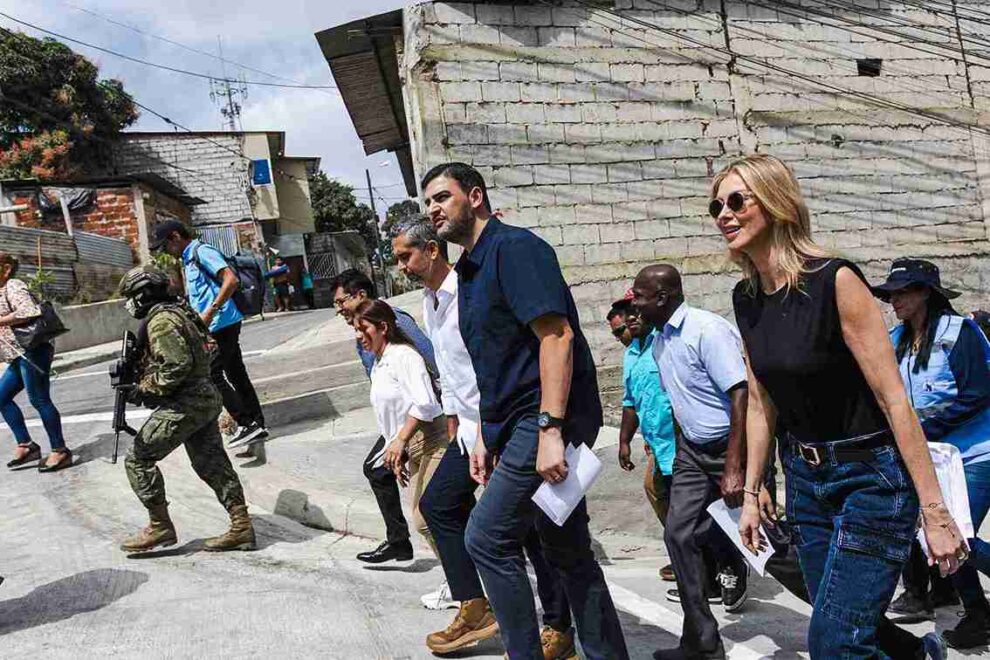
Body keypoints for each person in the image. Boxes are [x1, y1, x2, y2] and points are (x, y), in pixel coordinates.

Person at [720, 154, 966, 658]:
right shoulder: (746, 297)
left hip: (870, 479)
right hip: (806, 482)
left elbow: (894, 400)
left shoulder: (835, 280)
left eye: (737, 200)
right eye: (717, 205)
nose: (724, 213)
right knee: (851, 622)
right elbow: (761, 402)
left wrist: (935, 513)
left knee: (832, 643)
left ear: (775, 202)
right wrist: (751, 491)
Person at [423, 162, 628, 659]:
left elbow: (556, 338)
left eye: (441, 197)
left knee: (486, 537)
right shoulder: (469, 270)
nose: (433, 210)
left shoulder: (515, 249)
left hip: (539, 419)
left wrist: (550, 430)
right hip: (511, 424)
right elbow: (494, 365)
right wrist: (482, 438)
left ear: (475, 196)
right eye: (427, 203)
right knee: (566, 549)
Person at [392, 217, 576, 659]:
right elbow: (451, 368)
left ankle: (557, 627)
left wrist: (488, 430)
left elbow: (489, 364)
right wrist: (455, 419)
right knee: (438, 505)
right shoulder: (430, 301)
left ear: (432, 250)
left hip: (502, 425)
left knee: (526, 529)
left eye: (406, 256)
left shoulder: (467, 293)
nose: (401, 266)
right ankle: (475, 605)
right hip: (469, 429)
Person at [631, 265, 751, 660]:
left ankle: (852, 622)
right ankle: (701, 643)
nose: (634, 303)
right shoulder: (660, 340)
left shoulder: (706, 330)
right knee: (678, 536)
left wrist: (734, 466)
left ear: (663, 297)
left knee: (767, 546)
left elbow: (740, 394)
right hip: (693, 454)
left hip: (732, 450)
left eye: (640, 296)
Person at [873, 257, 990, 649]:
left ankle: (977, 612)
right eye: (890, 294)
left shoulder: (962, 333)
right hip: (932, 458)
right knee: (934, 539)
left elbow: (977, 393)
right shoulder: (895, 339)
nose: (894, 301)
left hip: (975, 453)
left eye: (902, 292)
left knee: (959, 538)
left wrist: (920, 430)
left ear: (925, 293)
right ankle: (978, 614)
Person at [116, 266, 255, 553]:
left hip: (185, 404)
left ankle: (160, 526)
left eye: (131, 297)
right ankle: (241, 527)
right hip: (204, 398)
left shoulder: (161, 322)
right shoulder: (182, 311)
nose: (129, 304)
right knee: (212, 463)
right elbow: (210, 349)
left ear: (143, 295)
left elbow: (175, 367)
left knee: (138, 459)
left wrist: (143, 389)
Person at [332, 268, 439, 569]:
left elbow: (429, 364)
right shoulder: (364, 332)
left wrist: (404, 436)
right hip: (402, 423)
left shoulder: (393, 323)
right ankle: (399, 543)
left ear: (361, 296)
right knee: (380, 472)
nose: (339, 309)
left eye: (341, 302)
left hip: (423, 422)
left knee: (432, 511)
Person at [150, 220, 267, 450]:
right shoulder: (189, 258)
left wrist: (210, 311)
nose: (166, 251)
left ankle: (246, 422)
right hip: (221, 323)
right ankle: (257, 424)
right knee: (236, 374)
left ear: (175, 236)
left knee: (212, 374)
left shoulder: (201, 251)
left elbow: (230, 280)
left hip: (221, 323)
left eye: (166, 245)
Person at [353, 300, 446, 564]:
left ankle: (471, 585)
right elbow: (390, 415)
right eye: (356, 330)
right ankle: (460, 585)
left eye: (364, 329)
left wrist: (400, 440)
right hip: (412, 448)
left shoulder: (403, 356)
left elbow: (425, 403)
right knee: (428, 520)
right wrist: (397, 450)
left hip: (431, 442)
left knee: (430, 519)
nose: (360, 336)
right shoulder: (381, 362)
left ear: (383, 327)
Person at [611, 291, 678, 583]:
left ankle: (712, 562)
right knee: (658, 492)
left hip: (680, 442)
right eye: (626, 317)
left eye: (633, 314)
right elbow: (630, 402)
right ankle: (684, 554)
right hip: (657, 445)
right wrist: (625, 441)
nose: (630, 321)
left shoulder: (664, 344)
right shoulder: (631, 356)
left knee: (687, 503)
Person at [0, 253, 71, 472]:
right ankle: (27, 445)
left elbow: (30, 311)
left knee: (39, 399)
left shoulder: (13, 286)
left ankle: (60, 450)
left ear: (6, 269)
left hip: (33, 350)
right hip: (18, 355)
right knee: (1, 397)